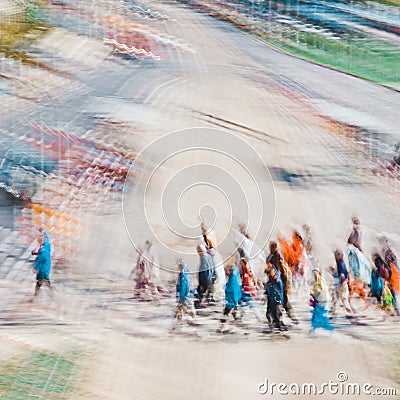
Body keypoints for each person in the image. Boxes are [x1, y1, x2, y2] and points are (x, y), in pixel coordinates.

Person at [266, 241, 296, 323]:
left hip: (278, 282)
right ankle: (276, 318)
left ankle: (284, 318)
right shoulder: (272, 256)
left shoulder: (277, 257)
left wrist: (285, 283)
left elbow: (281, 270)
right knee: (276, 301)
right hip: (274, 281)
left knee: (281, 301)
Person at [310, 269, 334, 335]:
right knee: (316, 316)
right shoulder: (322, 283)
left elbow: (320, 294)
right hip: (321, 302)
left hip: (320, 303)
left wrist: (314, 295)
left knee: (319, 316)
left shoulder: (319, 284)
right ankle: (313, 330)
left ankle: (329, 328)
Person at [332, 250, 353, 316]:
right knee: (337, 296)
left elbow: (342, 275)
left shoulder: (341, 264)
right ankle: (334, 309)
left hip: (342, 284)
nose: (335, 257)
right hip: (342, 283)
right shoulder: (341, 263)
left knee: (343, 297)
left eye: (336, 255)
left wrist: (342, 282)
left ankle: (349, 311)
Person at [265, 262, 284, 331]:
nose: (268, 276)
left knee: (277, 316)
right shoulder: (271, 280)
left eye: (269, 274)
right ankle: (274, 327)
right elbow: (269, 287)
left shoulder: (277, 280)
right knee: (269, 315)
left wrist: (267, 286)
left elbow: (276, 291)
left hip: (276, 301)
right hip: (271, 300)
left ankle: (281, 329)